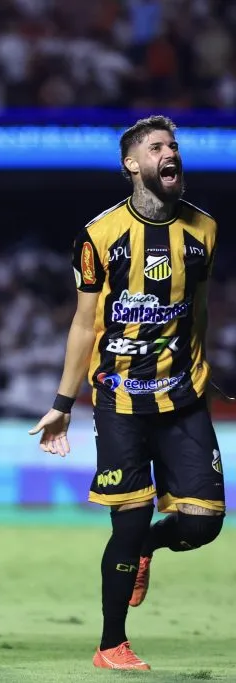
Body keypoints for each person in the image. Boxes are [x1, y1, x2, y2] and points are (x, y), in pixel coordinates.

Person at [29, 115, 224, 671]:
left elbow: (201, 307)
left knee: (203, 523)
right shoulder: (99, 236)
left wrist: (203, 362)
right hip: (120, 400)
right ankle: (111, 643)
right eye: (157, 146)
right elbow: (84, 323)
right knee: (129, 519)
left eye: (175, 146)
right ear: (132, 165)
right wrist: (62, 405)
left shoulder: (204, 230)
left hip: (184, 397)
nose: (171, 152)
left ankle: (148, 550)